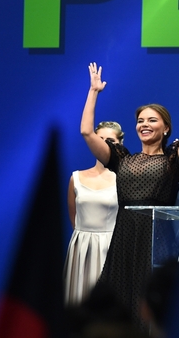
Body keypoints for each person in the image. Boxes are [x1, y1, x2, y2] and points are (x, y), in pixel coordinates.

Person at [80, 62, 179, 328]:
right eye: (140, 121)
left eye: (152, 120)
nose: (144, 125)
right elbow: (86, 132)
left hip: (157, 239)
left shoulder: (174, 161)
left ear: (166, 129)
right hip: (124, 238)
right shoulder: (121, 157)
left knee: (151, 303)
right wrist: (93, 91)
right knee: (117, 304)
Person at [64, 121, 124, 305]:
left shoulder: (124, 178)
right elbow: (74, 219)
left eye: (110, 140)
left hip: (111, 247)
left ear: (120, 143)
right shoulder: (76, 178)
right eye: (100, 139)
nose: (104, 144)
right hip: (81, 247)